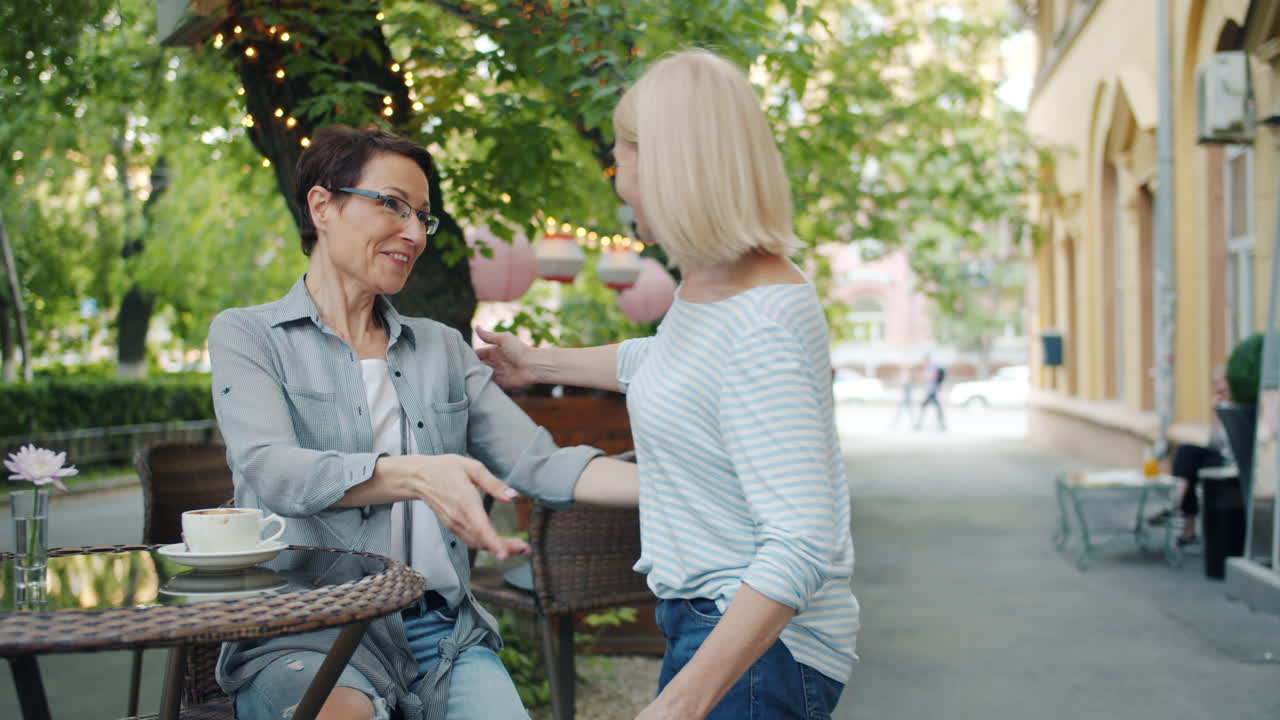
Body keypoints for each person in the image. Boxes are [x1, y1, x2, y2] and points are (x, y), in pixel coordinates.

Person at [207, 124, 637, 720]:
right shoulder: (248, 334)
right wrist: (411, 475)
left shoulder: (441, 348)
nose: (413, 233)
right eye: (392, 205)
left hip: (441, 634)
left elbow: (539, 463)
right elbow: (272, 470)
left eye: (423, 217)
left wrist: (673, 483)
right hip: (303, 629)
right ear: (322, 206)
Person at [477, 49, 857, 720]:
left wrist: (680, 704)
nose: (617, 177)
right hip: (715, 627)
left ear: (672, 167)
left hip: (758, 652)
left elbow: (802, 543)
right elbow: (667, 364)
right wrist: (536, 363)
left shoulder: (759, 321)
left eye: (624, 153)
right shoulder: (713, 283)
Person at [1149, 374, 1234, 546]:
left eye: (1224, 391)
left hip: (1232, 461)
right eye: (1217, 392)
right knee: (1185, 458)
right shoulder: (1220, 411)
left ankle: (1175, 505)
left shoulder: (1239, 410)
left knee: (1188, 462)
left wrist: (1225, 414)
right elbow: (1215, 443)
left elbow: (1232, 444)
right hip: (1218, 456)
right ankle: (1183, 519)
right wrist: (1217, 416)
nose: (1220, 395)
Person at [915, 355, 946, 431]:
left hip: (932, 390)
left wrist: (926, 377)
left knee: (925, 406)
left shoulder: (932, 367)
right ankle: (941, 425)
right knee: (935, 407)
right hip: (931, 390)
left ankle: (919, 424)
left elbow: (933, 377)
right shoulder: (930, 367)